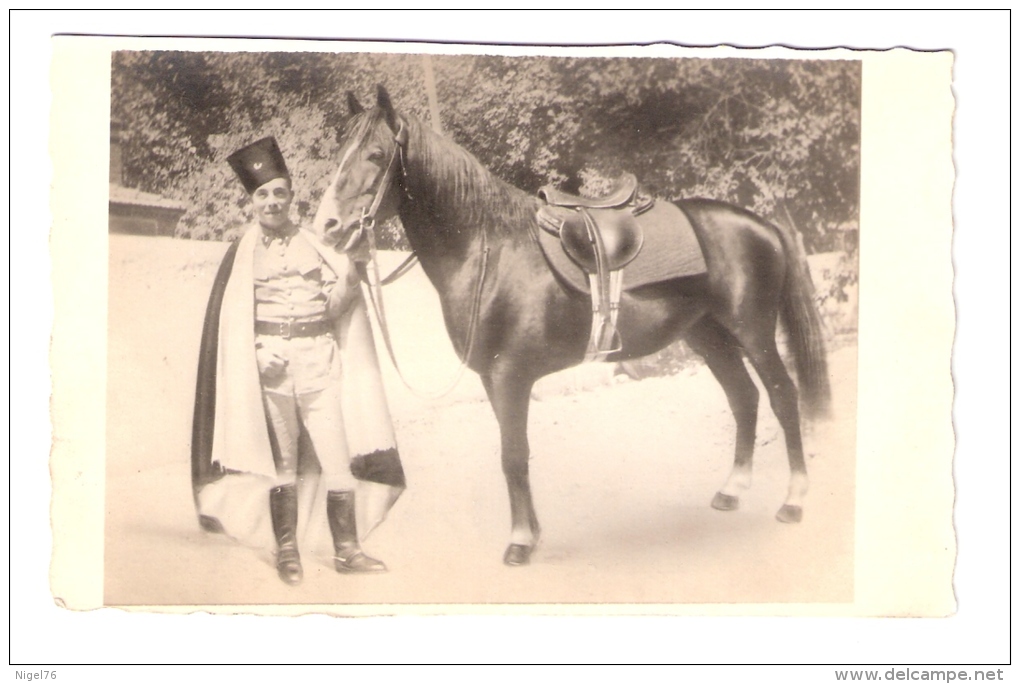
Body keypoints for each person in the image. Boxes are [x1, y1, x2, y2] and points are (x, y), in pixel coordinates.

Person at [191, 137, 405, 586]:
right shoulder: (241, 252)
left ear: (292, 197)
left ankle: (347, 550)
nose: (272, 202)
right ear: (251, 202)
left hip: (319, 363)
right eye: (262, 194)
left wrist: (353, 270)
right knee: (283, 463)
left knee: (337, 460)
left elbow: (336, 307)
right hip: (270, 369)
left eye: (279, 193)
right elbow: (231, 325)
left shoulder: (317, 244)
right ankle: (287, 549)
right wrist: (255, 354)